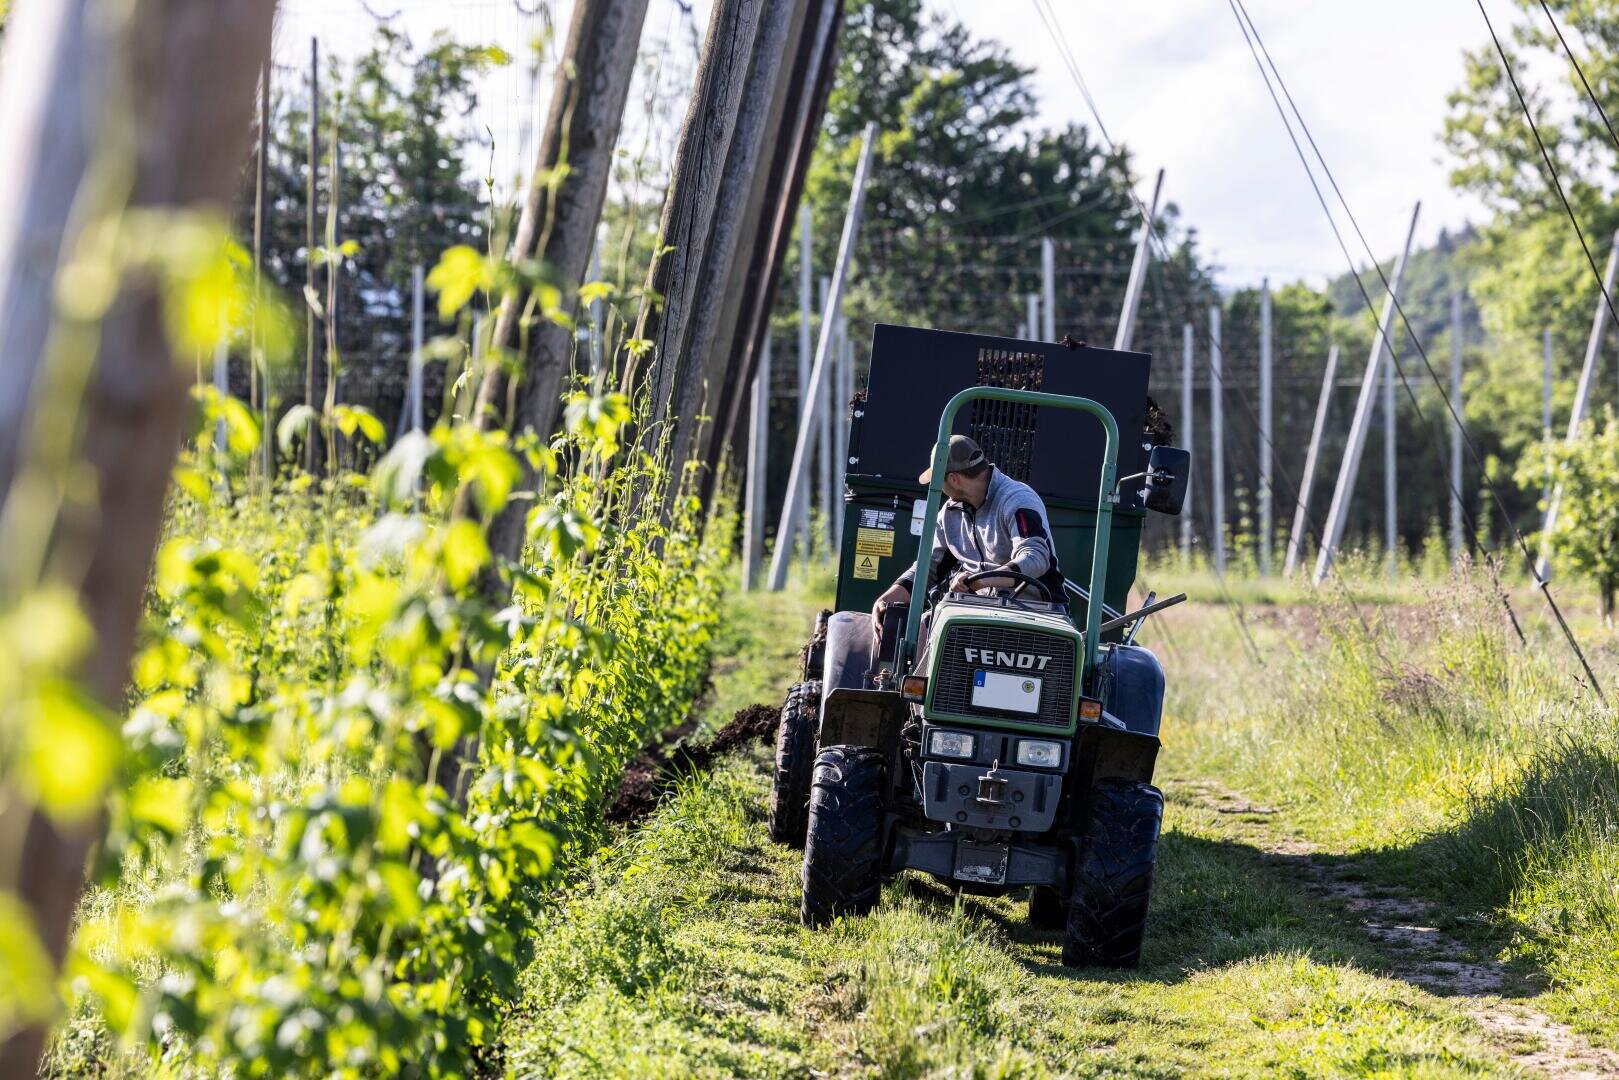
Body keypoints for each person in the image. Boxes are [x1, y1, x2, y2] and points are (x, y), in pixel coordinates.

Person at [871, 435, 1063, 644]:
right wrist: (886, 599)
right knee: (914, 632)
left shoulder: (1017, 499)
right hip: (976, 612)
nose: (937, 488)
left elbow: (1035, 558)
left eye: (938, 480)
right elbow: (928, 568)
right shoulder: (949, 514)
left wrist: (979, 580)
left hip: (1035, 614)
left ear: (953, 478)